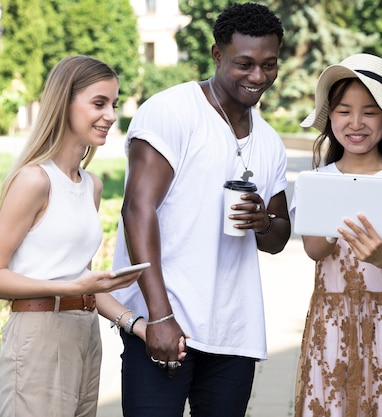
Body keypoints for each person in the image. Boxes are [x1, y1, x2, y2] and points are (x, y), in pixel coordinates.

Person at [110, 3, 290, 416]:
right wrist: (158, 316)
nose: (258, 76)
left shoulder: (269, 141)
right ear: (216, 54)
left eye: (268, 64)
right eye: (244, 63)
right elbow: (137, 209)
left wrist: (264, 222)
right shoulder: (172, 111)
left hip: (234, 335)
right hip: (164, 324)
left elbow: (278, 237)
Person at [0, 55, 149, 417]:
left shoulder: (91, 186)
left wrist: (138, 325)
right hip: (39, 335)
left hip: (85, 336)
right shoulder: (35, 180)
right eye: (98, 103)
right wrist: (72, 288)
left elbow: (82, 281)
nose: (111, 116)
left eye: (113, 104)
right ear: (63, 103)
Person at [291, 53, 382, 417]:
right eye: (343, 111)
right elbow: (313, 251)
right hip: (332, 321)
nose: (356, 123)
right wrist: (331, 217)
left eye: (370, 111)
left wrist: (379, 257)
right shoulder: (318, 180)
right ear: (330, 117)